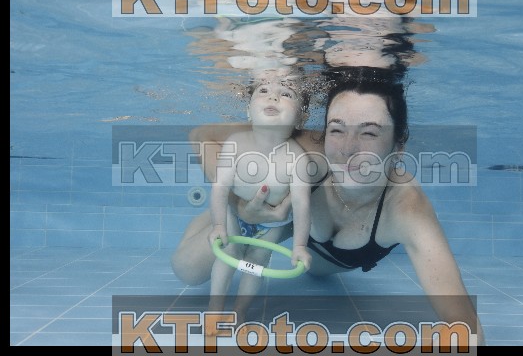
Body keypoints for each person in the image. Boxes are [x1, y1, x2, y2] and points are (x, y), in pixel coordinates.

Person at [172, 66, 485, 345]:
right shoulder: (311, 149)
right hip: (273, 219)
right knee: (189, 271)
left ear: (398, 147)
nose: (347, 149)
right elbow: (202, 136)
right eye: (336, 128)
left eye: (369, 132)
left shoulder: (406, 208)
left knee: (315, 271)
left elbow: (462, 322)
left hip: (322, 256)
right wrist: (241, 204)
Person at [206, 71, 313, 318]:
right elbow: (220, 188)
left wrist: (299, 246)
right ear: (248, 110)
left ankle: (239, 311)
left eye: (286, 94)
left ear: (301, 117)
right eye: (263, 90)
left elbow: (302, 205)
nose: (273, 97)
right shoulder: (235, 143)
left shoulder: (298, 159)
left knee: (256, 263)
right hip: (234, 215)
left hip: (270, 224)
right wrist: (219, 225)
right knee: (228, 254)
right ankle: (214, 309)